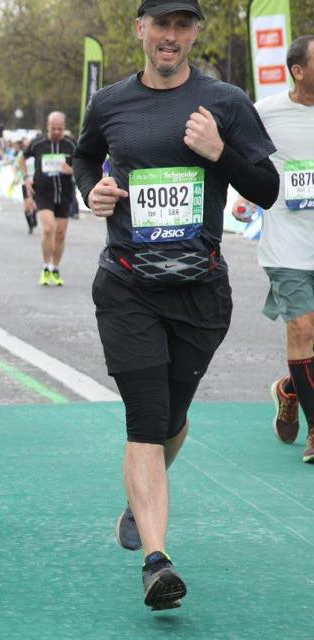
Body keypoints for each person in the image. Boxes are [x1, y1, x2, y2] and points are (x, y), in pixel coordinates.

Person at [73, 0, 279, 610]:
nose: (170, 36)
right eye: (160, 24)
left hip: (200, 290)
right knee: (145, 417)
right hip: (127, 283)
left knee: (171, 420)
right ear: (140, 29)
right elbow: (86, 156)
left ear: (195, 34)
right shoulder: (109, 102)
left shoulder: (226, 103)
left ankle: (141, 500)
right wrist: (94, 190)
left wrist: (221, 153)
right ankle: (156, 560)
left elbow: (266, 188)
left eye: (182, 26)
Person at [242, 35, 314, 462]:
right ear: (298, 71)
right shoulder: (265, 113)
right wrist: (244, 189)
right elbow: (238, 156)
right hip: (287, 246)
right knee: (303, 330)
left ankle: (289, 389)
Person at [22, 112, 77, 286]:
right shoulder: (37, 143)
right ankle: (46, 267)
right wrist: (26, 178)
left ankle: (55, 268)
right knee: (48, 228)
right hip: (43, 193)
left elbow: (83, 164)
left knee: (60, 234)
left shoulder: (70, 144)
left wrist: (71, 170)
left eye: (60, 129)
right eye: (53, 129)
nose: (57, 132)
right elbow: (21, 159)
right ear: (48, 126)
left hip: (64, 193)